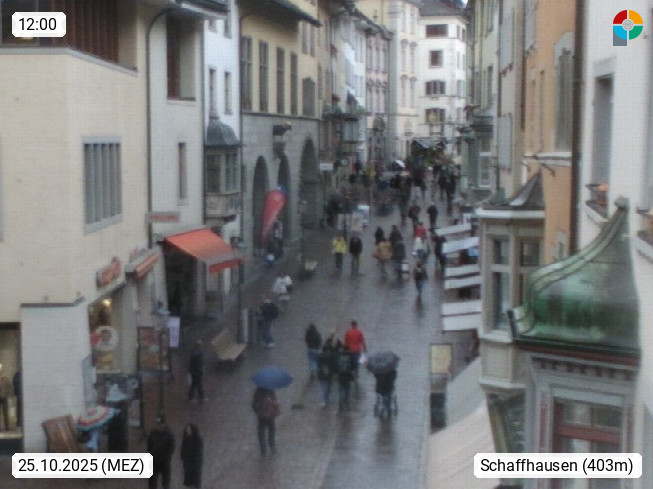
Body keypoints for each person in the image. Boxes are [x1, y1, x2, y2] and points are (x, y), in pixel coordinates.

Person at [147, 415, 175, 489]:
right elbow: (149, 445)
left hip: (164, 462)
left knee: (165, 483)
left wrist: (166, 457)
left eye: (160, 424)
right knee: (152, 483)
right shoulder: (152, 434)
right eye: (157, 424)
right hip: (154, 461)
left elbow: (171, 447)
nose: (158, 426)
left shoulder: (169, 434)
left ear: (164, 424)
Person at [251, 387, 280, 456]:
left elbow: (254, 404)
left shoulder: (258, 391)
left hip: (261, 415)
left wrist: (257, 411)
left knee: (261, 432)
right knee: (272, 430)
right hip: (270, 415)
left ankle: (263, 450)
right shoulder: (271, 390)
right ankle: (272, 446)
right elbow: (275, 401)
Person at [180, 423, 203, 488]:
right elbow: (183, 448)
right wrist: (183, 456)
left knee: (195, 478)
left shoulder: (197, 439)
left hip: (195, 462)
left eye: (189, 430)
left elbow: (198, 451)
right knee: (188, 477)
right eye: (187, 430)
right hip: (187, 462)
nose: (188, 431)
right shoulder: (185, 439)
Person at [316, 339, 337, 406]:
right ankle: (327, 398)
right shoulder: (331, 356)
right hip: (329, 374)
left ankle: (324, 399)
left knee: (323, 387)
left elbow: (318, 365)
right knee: (329, 386)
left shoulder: (319, 356)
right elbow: (334, 365)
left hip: (321, 374)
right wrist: (335, 372)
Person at [336, 345, 354, 411]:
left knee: (341, 389)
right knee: (347, 389)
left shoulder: (339, 355)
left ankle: (341, 402)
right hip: (348, 375)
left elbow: (336, 365)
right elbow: (353, 366)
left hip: (340, 375)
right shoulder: (350, 356)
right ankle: (346, 401)